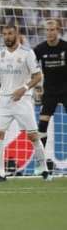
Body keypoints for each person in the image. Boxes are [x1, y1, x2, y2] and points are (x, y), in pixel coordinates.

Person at [0, 24, 49, 182]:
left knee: (33, 136)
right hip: (4, 101)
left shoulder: (27, 53)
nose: (7, 37)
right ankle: (1, 173)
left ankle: (44, 169)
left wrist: (23, 88)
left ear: (16, 34)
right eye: (4, 34)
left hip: (23, 100)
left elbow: (38, 76)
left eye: (10, 34)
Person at [33, 19, 67, 174]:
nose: (50, 32)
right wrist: (34, 88)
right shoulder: (40, 49)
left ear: (58, 30)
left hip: (66, 90)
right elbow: (30, 67)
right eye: (47, 30)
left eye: (53, 29)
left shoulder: (65, 46)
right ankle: (41, 163)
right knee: (42, 125)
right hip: (50, 91)